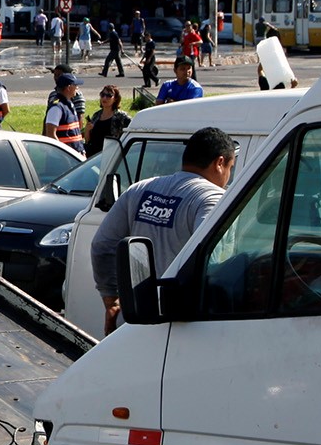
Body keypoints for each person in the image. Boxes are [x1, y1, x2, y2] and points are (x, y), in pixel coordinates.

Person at [90, 125, 239, 332]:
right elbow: (211, 264)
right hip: (184, 329)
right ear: (220, 163)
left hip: (134, 322)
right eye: (231, 167)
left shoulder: (140, 189)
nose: (228, 177)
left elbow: (102, 245)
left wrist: (112, 302)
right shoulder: (213, 199)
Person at [42, 71, 87, 150]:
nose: (77, 88)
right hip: (63, 158)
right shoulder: (57, 108)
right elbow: (51, 135)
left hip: (74, 154)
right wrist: (64, 154)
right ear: (68, 88)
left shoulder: (69, 105)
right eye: (75, 85)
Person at [84, 84, 130, 156]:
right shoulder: (96, 115)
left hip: (110, 156)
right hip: (93, 157)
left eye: (109, 96)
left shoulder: (121, 117)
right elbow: (87, 140)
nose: (104, 98)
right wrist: (87, 130)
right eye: (102, 95)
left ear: (115, 99)